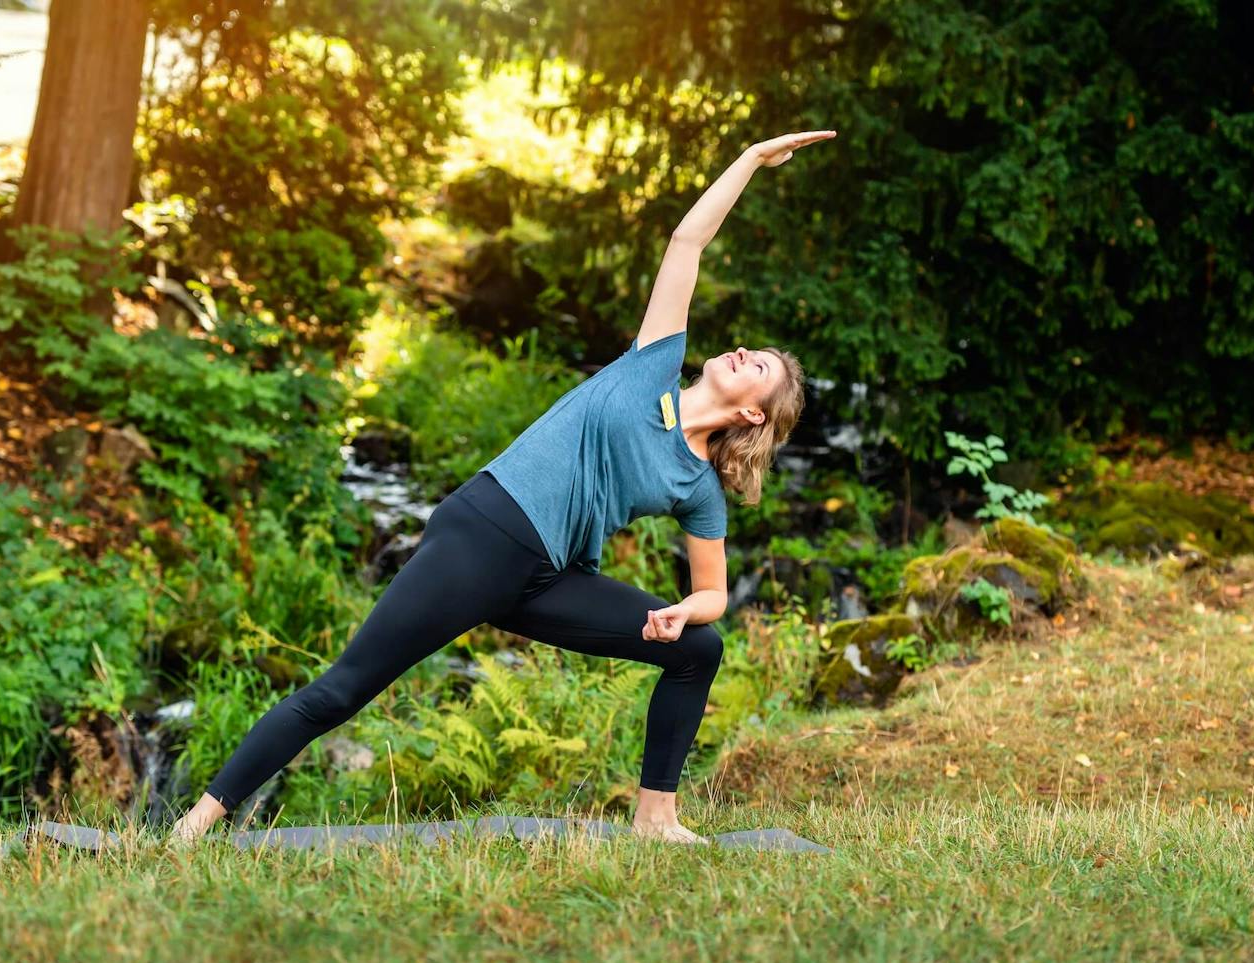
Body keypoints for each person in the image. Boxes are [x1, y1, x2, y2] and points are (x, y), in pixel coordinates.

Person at [171, 129, 834, 846]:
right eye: (751, 350)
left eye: (757, 368)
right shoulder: (651, 365)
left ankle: (656, 818)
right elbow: (686, 244)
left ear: (749, 413)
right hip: (487, 532)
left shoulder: (698, 485)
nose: (742, 352)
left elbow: (714, 592)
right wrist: (747, 161)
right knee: (344, 689)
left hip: (545, 577)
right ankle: (194, 826)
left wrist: (681, 612)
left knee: (699, 650)